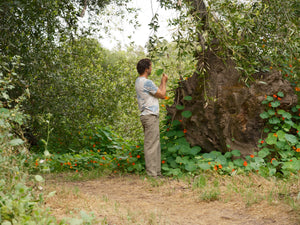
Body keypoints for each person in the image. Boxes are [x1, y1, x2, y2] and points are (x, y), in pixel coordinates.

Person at [135, 58, 168, 177]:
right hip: (150, 116)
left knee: (155, 144)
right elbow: (163, 95)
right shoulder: (147, 82)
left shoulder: (138, 81)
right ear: (146, 69)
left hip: (146, 115)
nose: (152, 68)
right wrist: (164, 81)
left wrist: (161, 83)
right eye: (150, 66)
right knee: (151, 145)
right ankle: (152, 174)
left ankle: (157, 172)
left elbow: (157, 93)